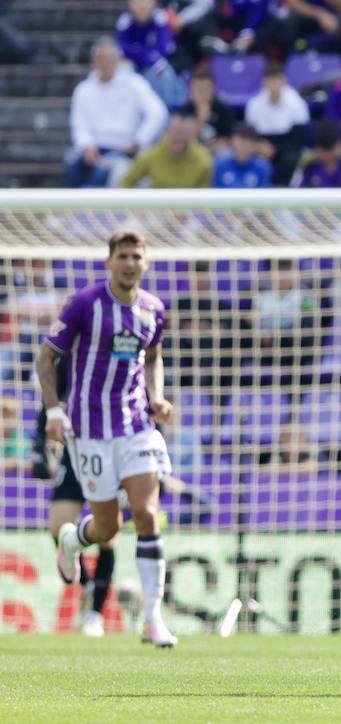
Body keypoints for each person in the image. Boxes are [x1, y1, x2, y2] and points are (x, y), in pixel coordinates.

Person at [41, 231, 178, 647]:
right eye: (123, 255)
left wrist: (156, 396)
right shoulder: (85, 304)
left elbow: (152, 357)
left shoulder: (154, 309)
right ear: (109, 262)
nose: (130, 263)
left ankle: (153, 619)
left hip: (136, 426)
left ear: (146, 263)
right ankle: (72, 540)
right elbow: (47, 357)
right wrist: (54, 411)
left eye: (137, 256)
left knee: (146, 513)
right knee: (106, 527)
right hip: (90, 432)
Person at [27, 358, 117, 638]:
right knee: (58, 526)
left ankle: (94, 614)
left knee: (108, 534)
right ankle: (88, 584)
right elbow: (51, 398)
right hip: (75, 448)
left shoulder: (123, 350)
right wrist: (39, 444)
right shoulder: (75, 354)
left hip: (115, 449)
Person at [65, 38, 169, 188]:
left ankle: (87, 209)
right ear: (94, 62)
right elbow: (79, 125)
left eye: (112, 59)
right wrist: (87, 146)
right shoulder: (83, 90)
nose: (107, 64)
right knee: (73, 166)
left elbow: (158, 112)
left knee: (103, 173)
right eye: (103, 59)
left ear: (118, 61)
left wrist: (138, 142)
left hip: (124, 151)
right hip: (92, 150)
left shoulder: (134, 83)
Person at [116, 0, 185, 109]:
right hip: (134, 65)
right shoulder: (124, 21)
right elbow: (124, 49)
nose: (142, 4)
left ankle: (168, 111)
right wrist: (146, 54)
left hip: (155, 65)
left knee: (163, 71)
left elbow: (164, 49)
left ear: (154, 2)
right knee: (121, 71)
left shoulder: (160, 18)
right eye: (137, 0)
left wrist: (141, 54)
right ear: (130, 3)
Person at [244, 61, 311, 182]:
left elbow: (299, 137)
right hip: (263, 144)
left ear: (284, 81)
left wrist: (277, 150)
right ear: (263, 82)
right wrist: (259, 146)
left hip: (289, 145)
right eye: (270, 80)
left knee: (290, 159)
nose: (274, 84)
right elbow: (250, 134)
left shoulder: (297, 103)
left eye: (277, 79)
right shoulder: (254, 105)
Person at [121, 109, 213, 189]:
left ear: (192, 135)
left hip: (188, 208)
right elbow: (127, 182)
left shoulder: (203, 160)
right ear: (168, 131)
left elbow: (204, 193)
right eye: (176, 131)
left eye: (185, 132)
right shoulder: (152, 155)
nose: (179, 137)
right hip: (157, 207)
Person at [290, 119, 341, 188]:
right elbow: (295, 191)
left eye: (331, 149)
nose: (328, 155)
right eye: (324, 150)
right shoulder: (307, 163)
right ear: (317, 148)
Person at [212, 122, 273, 189]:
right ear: (232, 141)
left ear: (255, 145)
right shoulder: (220, 165)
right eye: (241, 141)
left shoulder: (262, 167)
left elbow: (263, 195)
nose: (244, 146)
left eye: (249, 141)